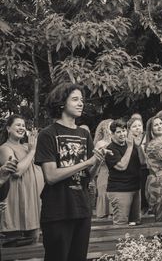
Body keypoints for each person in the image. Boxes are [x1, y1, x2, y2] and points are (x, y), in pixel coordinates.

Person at [35, 83, 106, 261]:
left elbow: (88, 175)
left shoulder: (84, 134)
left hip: (82, 208)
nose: (80, 103)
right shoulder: (47, 134)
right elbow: (51, 176)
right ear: (61, 103)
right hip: (58, 210)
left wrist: (97, 162)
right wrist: (87, 162)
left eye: (81, 100)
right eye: (75, 99)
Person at [0, 115, 43, 245]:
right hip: (16, 205)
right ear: (8, 128)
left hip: (33, 203)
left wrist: (32, 148)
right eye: (18, 125)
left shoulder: (27, 146)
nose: (22, 128)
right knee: (17, 251)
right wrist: (32, 152)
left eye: (23, 125)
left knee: (34, 250)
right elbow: (17, 172)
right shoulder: (4, 148)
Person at [105, 119, 142, 226]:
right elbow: (122, 166)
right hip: (120, 190)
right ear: (112, 134)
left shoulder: (131, 145)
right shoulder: (110, 149)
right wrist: (130, 147)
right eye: (118, 132)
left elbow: (143, 162)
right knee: (121, 225)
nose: (122, 134)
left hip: (135, 188)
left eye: (124, 131)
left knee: (135, 223)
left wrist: (138, 146)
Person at [93, 118, 113, 219]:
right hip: (104, 171)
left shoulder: (118, 141)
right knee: (103, 192)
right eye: (110, 127)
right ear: (104, 129)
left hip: (114, 172)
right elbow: (95, 160)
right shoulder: (100, 143)